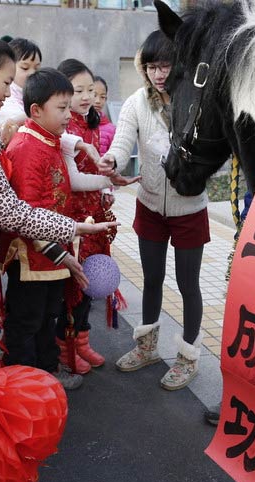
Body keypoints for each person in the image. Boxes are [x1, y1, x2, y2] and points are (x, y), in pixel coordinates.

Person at [99, 30, 209, 391]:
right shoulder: (136, 102)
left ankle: (188, 357)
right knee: (151, 279)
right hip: (150, 204)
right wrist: (112, 158)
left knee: (188, 284)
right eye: (151, 67)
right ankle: (146, 348)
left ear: (178, 66)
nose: (158, 74)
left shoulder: (196, 100)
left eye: (165, 65)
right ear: (142, 68)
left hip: (189, 206)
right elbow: (122, 139)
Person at [0, 33, 117, 274]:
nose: (10, 93)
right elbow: (11, 211)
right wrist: (72, 228)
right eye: (7, 83)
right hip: (2, 258)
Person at [0, 68, 84, 390]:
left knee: (48, 316)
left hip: (54, 255)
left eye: (68, 107)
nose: (68, 115)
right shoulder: (26, 148)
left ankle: (46, 372)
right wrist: (63, 254)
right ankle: (23, 383)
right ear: (36, 110)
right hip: (34, 256)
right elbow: (27, 213)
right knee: (26, 320)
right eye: (61, 108)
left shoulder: (48, 141)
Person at [54, 59, 121, 374]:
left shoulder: (93, 123)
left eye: (90, 90)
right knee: (73, 286)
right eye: (78, 90)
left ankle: (82, 341)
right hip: (72, 221)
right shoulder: (65, 127)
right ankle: (66, 348)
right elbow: (74, 179)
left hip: (94, 218)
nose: (86, 97)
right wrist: (108, 180)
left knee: (89, 285)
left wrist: (109, 173)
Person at [0, 37, 42, 144]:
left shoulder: (41, 94)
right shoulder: (4, 97)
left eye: (37, 68)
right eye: (25, 68)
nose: (32, 73)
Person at [93, 76, 116, 156]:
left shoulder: (111, 129)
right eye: (94, 95)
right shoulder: (77, 125)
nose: (98, 101)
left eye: (102, 97)